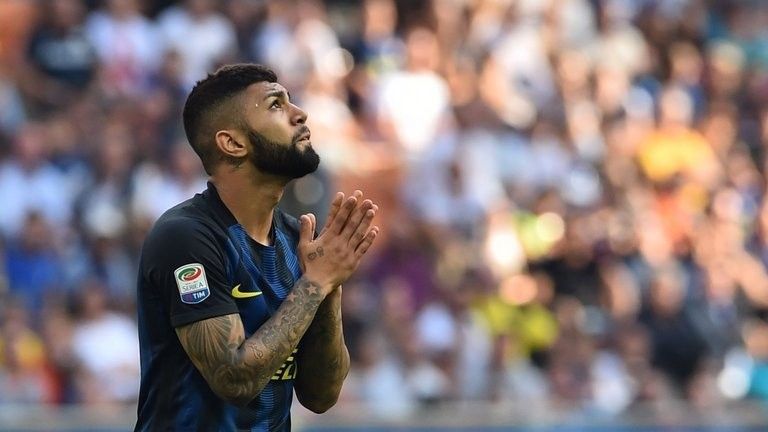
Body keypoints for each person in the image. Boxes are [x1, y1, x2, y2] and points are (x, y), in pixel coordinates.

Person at [134, 63, 380, 431]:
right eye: (276, 105)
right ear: (232, 143)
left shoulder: (296, 239)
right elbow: (234, 379)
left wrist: (329, 283)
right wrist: (315, 284)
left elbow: (321, 396)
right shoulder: (187, 237)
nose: (300, 114)